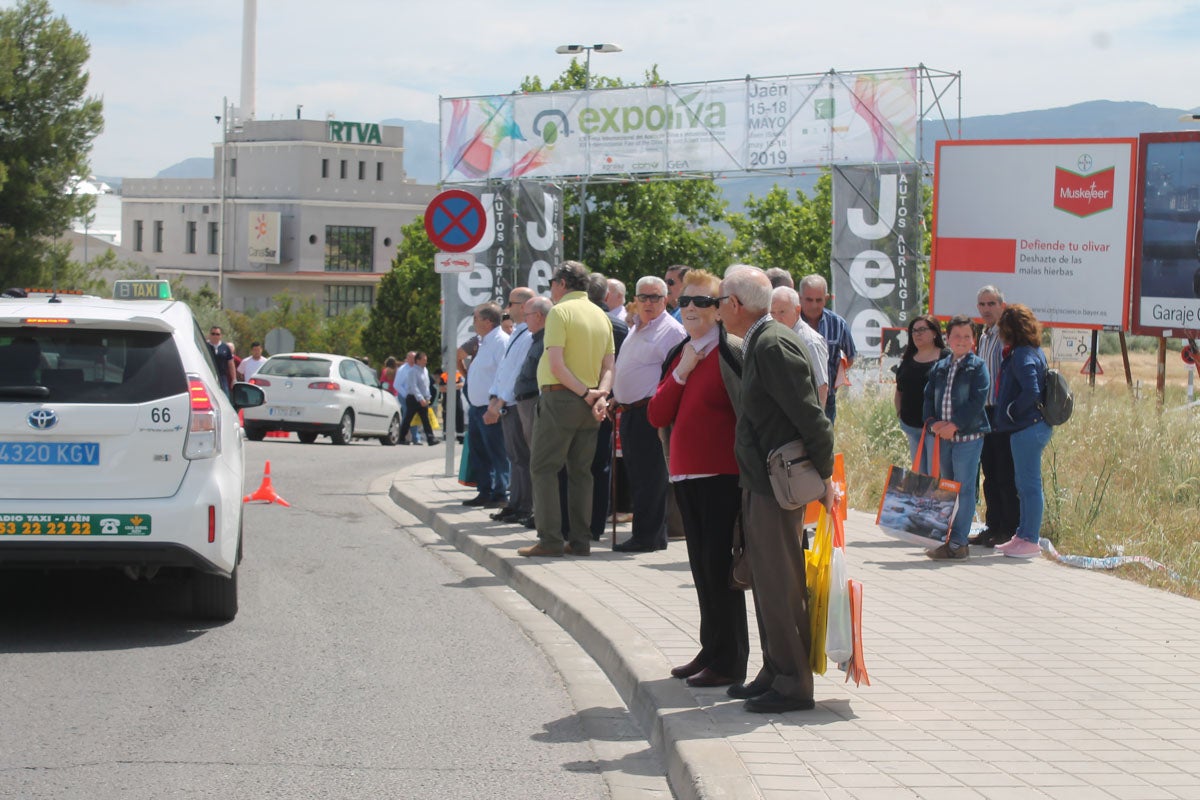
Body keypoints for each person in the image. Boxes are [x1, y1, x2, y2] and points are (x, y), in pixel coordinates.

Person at [718, 264, 835, 714]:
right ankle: (775, 671)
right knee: (765, 581)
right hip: (762, 482)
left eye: (720, 301)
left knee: (781, 584)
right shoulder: (761, 340)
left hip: (777, 486)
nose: (717, 310)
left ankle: (792, 684)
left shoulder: (772, 344)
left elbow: (811, 416)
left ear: (735, 304)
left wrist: (825, 478)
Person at [647, 269, 748, 689]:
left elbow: (748, 413)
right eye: (685, 300)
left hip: (723, 476)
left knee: (720, 569)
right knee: (702, 569)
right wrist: (682, 371)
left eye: (702, 301)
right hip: (686, 475)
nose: (690, 308)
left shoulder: (731, 352)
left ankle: (730, 661)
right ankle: (711, 650)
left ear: (720, 309)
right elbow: (656, 413)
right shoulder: (681, 353)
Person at [518, 261, 615, 558]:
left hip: (561, 399)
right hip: (591, 403)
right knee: (581, 473)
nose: (551, 288)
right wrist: (599, 396)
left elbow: (557, 365)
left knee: (543, 468)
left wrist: (586, 393)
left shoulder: (560, 312)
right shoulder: (601, 315)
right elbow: (609, 366)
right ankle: (581, 541)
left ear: (561, 283)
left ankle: (550, 540)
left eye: (552, 283)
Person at [611, 275, 687, 553]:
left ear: (665, 300)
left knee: (650, 478)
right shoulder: (638, 326)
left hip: (650, 411)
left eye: (655, 297)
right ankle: (647, 534)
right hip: (629, 411)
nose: (648, 302)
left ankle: (649, 537)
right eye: (643, 297)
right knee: (638, 475)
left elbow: (677, 374)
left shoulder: (671, 331)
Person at [921, 315, 991, 560]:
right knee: (948, 489)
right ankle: (945, 538)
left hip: (968, 438)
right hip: (943, 438)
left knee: (964, 489)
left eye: (967, 336)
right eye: (956, 336)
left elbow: (977, 400)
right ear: (947, 338)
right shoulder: (940, 367)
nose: (961, 340)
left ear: (973, 340)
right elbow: (928, 397)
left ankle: (959, 542)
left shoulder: (978, 367)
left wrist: (955, 425)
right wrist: (932, 423)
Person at [993, 304, 1052, 559]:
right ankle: (1023, 534)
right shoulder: (1033, 351)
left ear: (1008, 329)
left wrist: (1011, 411)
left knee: (1029, 486)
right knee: (1024, 484)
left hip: (1027, 427)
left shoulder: (1022, 355)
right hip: (1032, 427)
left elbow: (1032, 391)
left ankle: (1030, 540)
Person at [484, 287, 536, 523]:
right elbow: (504, 370)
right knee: (514, 457)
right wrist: (494, 396)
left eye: (511, 303)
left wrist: (501, 400)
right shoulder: (518, 332)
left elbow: (517, 372)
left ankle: (524, 506)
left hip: (515, 403)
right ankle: (515, 503)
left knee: (522, 458)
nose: (507, 308)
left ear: (523, 307)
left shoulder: (528, 336)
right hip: (507, 402)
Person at [973, 285, 1019, 548]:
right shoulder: (984, 335)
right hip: (985, 412)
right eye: (982, 304)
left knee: (1005, 472)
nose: (986, 309)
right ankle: (992, 525)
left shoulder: (1007, 334)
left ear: (1003, 305)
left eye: (991, 303)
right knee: (989, 471)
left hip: (1003, 411)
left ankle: (1009, 528)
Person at [462, 303, 510, 508]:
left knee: (497, 452)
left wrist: (496, 405)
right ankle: (485, 491)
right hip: (477, 407)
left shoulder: (500, 341)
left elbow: (504, 374)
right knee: (479, 452)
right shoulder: (484, 342)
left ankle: (500, 493)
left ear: (488, 321)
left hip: (490, 408)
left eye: (476, 318)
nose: (473, 322)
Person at [511, 295, 552, 529]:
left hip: (534, 403)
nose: (524, 319)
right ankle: (536, 511)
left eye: (526, 315)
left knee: (538, 460)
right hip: (526, 403)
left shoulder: (546, 339)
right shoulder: (536, 338)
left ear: (538, 316)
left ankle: (540, 513)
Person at [894, 314, 949, 471]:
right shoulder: (908, 359)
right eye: (914, 331)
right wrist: (900, 413)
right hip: (911, 426)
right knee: (918, 473)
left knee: (934, 473)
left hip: (935, 428)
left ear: (934, 333)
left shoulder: (946, 357)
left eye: (922, 330)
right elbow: (899, 390)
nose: (917, 334)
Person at [798, 274, 856, 423]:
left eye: (819, 300)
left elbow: (850, 356)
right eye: (809, 300)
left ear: (827, 298)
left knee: (823, 437)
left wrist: (836, 375)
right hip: (796, 397)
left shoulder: (838, 324)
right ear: (800, 298)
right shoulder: (790, 322)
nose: (814, 305)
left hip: (827, 398)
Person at [769, 286, 830, 406]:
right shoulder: (774, 336)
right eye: (772, 312)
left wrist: (815, 418)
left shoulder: (810, 343)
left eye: (782, 312)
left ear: (797, 310)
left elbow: (821, 388)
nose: (776, 318)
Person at [399, 352, 439, 446]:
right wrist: (420, 398)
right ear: (417, 361)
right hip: (413, 398)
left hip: (423, 399)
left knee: (426, 419)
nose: (426, 362)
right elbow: (414, 386)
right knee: (408, 419)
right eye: (424, 360)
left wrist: (427, 397)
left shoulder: (425, 370)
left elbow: (426, 385)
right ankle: (401, 437)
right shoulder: (412, 371)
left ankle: (430, 438)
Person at [206, 326, 236, 397]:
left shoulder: (225, 347)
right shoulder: (205, 346)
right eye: (213, 334)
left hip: (222, 377)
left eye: (217, 334)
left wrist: (234, 379)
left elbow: (231, 364)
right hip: (208, 375)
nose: (215, 336)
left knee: (225, 396)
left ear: (221, 336)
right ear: (209, 335)